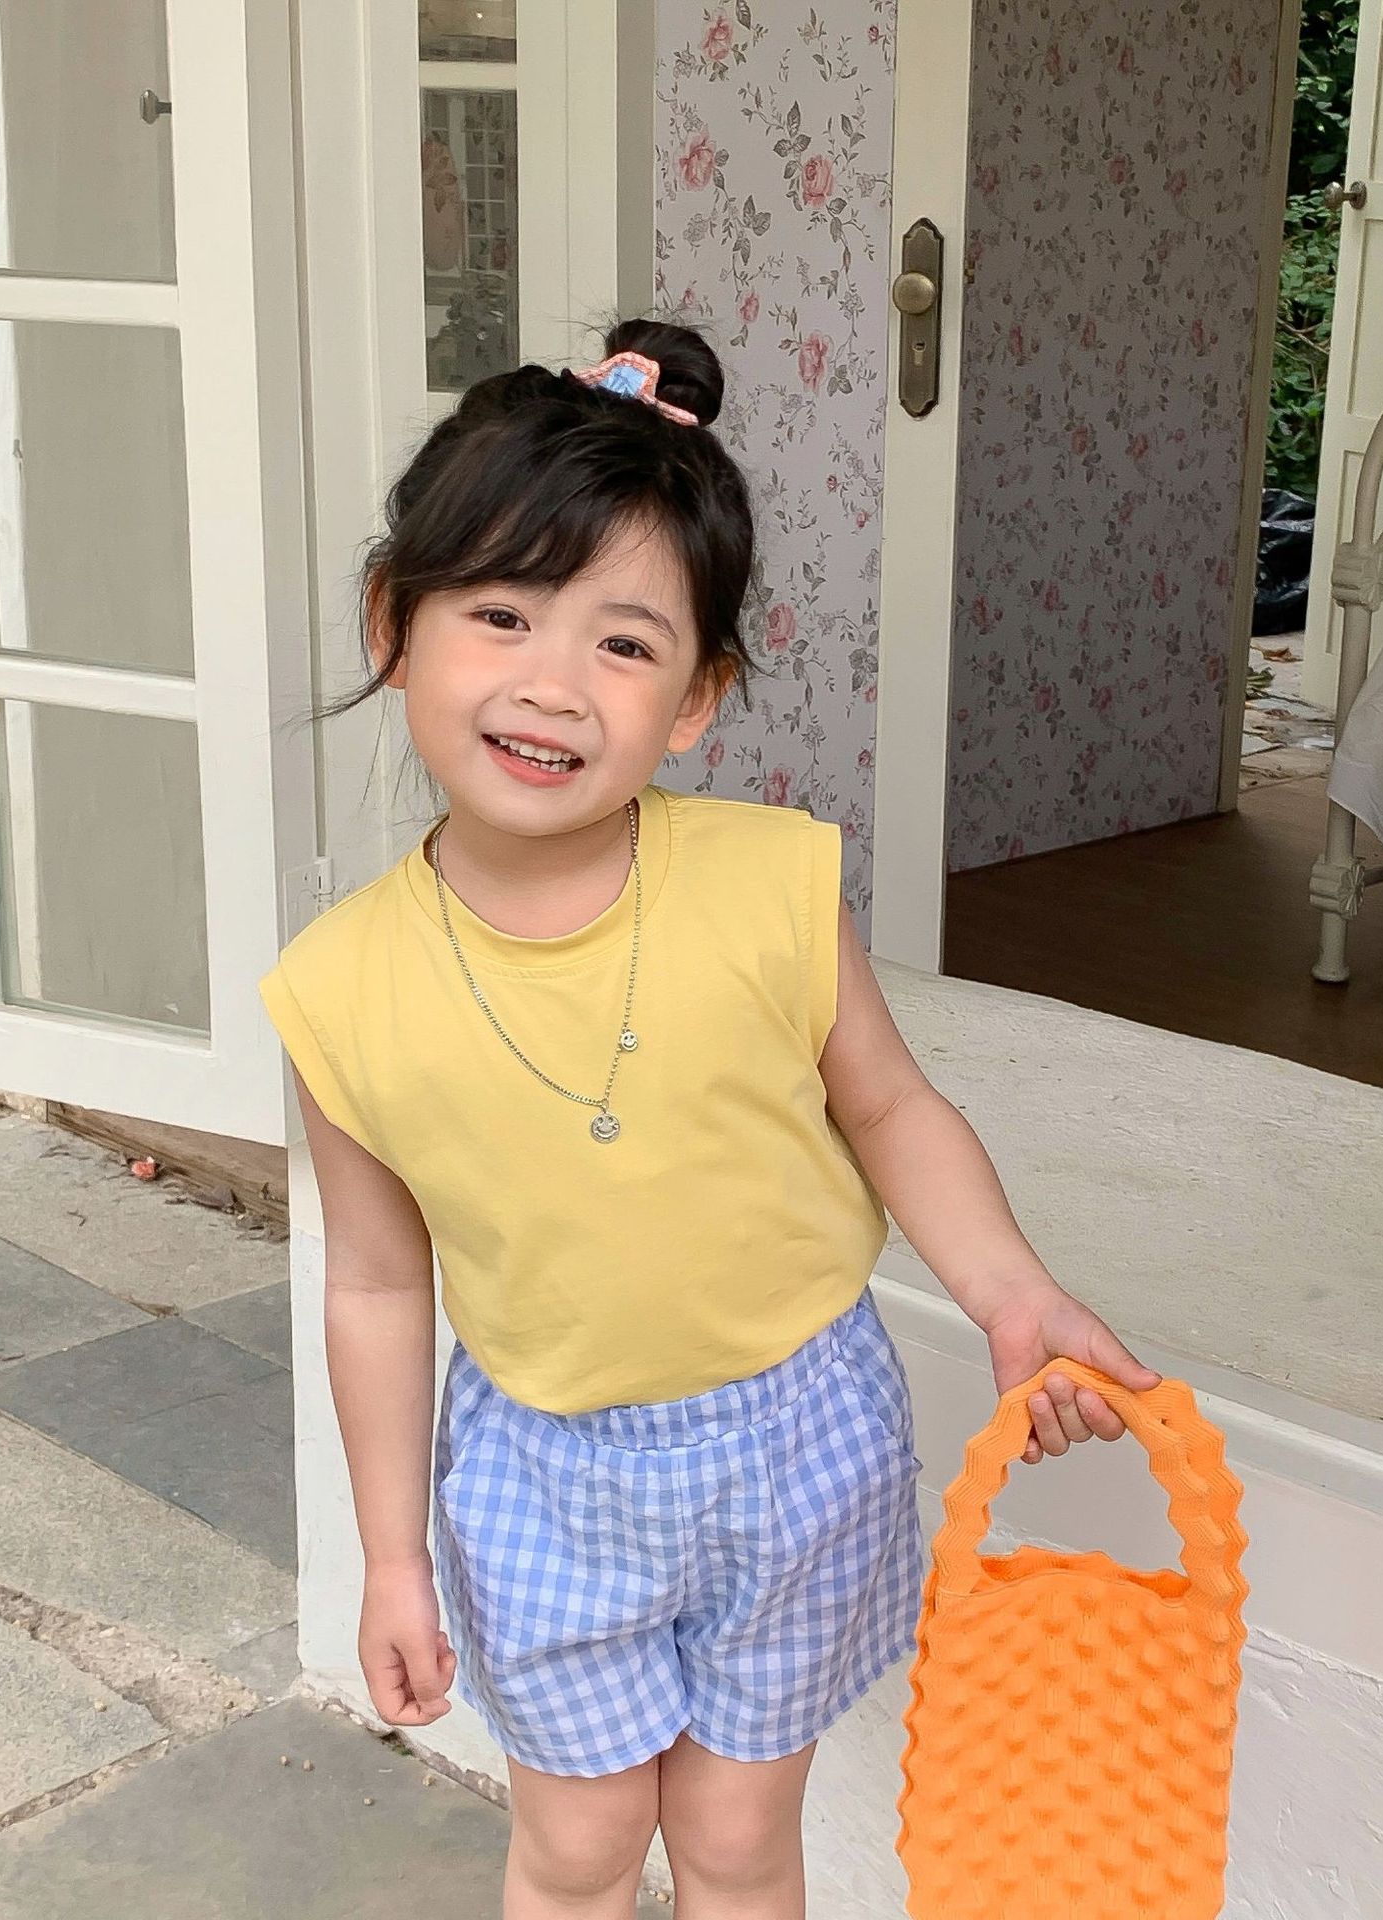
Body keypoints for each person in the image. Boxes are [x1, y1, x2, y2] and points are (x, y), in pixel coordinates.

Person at [259, 315, 1163, 1919]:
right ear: (396, 623)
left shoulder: (766, 886)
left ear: (696, 698)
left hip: (799, 1441)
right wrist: (393, 1556)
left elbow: (892, 1107)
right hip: (547, 1477)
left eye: (623, 643)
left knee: (739, 1845)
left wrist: (1013, 1294)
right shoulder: (340, 988)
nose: (552, 684)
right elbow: (381, 1284)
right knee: (580, 1848)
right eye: (501, 614)